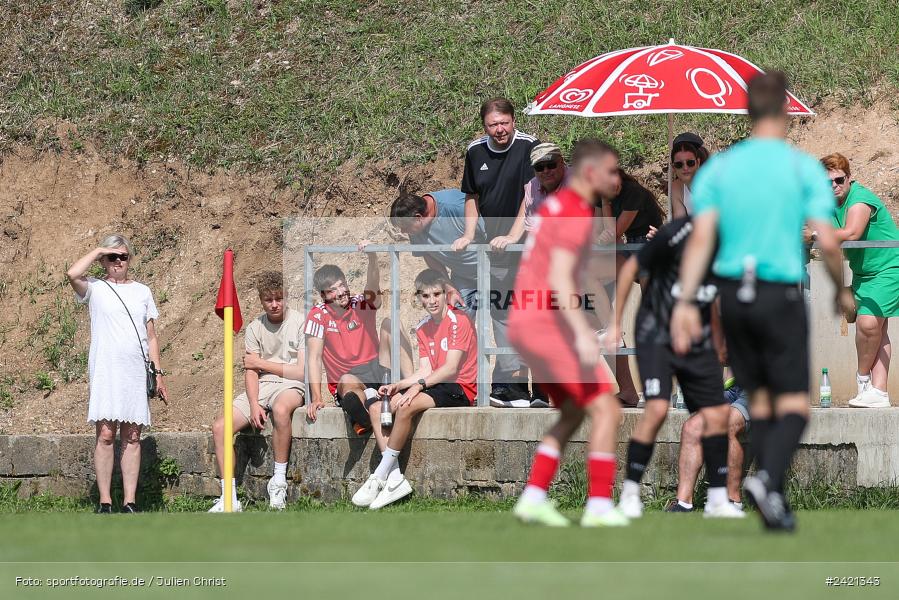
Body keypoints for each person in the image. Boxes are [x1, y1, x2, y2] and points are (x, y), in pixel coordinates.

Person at [670, 71, 855, 531]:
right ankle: (768, 478)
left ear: (748, 112)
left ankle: (762, 487)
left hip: (734, 299)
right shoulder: (798, 168)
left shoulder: (719, 172)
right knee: (791, 402)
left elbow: (698, 243)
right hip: (778, 293)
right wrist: (842, 290)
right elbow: (828, 243)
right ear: (786, 112)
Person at [509, 138, 629, 528]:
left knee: (575, 411)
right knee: (608, 408)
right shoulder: (575, 211)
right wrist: (583, 331)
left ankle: (532, 497)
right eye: (611, 170)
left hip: (524, 323)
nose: (617, 177)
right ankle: (598, 506)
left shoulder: (555, 208)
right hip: (547, 324)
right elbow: (560, 278)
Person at [608, 217, 744, 519]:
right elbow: (631, 267)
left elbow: (713, 299)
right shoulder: (679, 233)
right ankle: (630, 494)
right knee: (656, 410)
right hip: (655, 333)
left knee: (714, 416)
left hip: (695, 338)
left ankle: (719, 501)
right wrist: (615, 325)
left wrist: (719, 342)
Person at [352, 270, 478, 509]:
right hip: (435, 384)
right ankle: (395, 478)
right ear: (419, 297)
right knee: (385, 404)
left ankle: (379, 474)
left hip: (460, 386)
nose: (432, 301)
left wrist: (417, 388)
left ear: (445, 294)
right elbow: (425, 369)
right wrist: (398, 385)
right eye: (426, 295)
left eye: (437, 294)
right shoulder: (422, 327)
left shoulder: (458, 320)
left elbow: (450, 368)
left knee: (408, 404)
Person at [67, 235, 168, 514]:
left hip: (134, 370)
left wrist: (158, 373)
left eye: (122, 256)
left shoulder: (142, 291)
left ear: (130, 260)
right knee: (106, 434)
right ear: (103, 261)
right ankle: (105, 501)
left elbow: (151, 336)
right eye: (112, 257)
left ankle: (130, 501)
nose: (118, 262)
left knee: (133, 435)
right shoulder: (95, 288)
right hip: (106, 369)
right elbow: (73, 273)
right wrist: (100, 249)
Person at [452, 98, 539, 407]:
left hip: (530, 244)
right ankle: (510, 385)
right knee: (504, 313)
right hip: (497, 248)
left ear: (514, 121)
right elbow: (472, 196)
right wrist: (469, 234)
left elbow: (531, 196)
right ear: (484, 126)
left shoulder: (529, 147)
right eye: (493, 125)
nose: (500, 130)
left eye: (504, 123)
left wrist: (514, 235)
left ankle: (539, 386)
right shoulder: (476, 151)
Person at [209, 271, 305, 512]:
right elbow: (250, 372)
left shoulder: (300, 322)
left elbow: (301, 372)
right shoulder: (254, 327)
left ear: (286, 297)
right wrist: (253, 403)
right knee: (220, 427)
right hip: (261, 387)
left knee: (282, 410)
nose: (274, 304)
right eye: (268, 299)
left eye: (279, 298)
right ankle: (228, 497)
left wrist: (261, 364)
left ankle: (278, 482)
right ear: (261, 300)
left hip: (290, 384)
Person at [810, 153, 899, 408]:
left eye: (839, 180)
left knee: (869, 324)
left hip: (889, 266)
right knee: (878, 330)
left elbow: (852, 232)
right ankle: (879, 391)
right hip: (864, 273)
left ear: (849, 178)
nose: (834, 186)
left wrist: (815, 233)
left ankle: (863, 380)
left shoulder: (859, 199)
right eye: (827, 182)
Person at [304, 251, 412, 447]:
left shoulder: (359, 303)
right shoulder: (318, 315)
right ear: (323, 295)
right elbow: (314, 357)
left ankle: (410, 387)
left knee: (390, 323)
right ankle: (364, 410)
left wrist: (372, 258)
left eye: (342, 285)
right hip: (350, 377)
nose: (341, 292)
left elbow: (373, 290)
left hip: (378, 367)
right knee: (347, 382)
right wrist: (317, 398)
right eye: (332, 289)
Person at [389, 189, 484, 314]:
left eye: (405, 227)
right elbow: (429, 255)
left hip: (495, 270)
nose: (403, 231)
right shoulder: (415, 227)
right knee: (458, 318)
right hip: (463, 277)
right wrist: (449, 287)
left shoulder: (456, 206)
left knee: (506, 322)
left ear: (418, 218)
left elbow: (492, 232)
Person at [667, 380, 750, 512]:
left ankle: (732, 501)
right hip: (734, 388)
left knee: (727, 425)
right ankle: (683, 503)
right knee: (691, 428)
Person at [669, 132, 710, 219]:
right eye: (679, 164)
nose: (685, 168)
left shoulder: (713, 184)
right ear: (673, 167)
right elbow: (680, 225)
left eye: (690, 163)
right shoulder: (676, 187)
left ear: (698, 162)